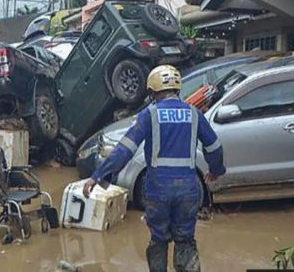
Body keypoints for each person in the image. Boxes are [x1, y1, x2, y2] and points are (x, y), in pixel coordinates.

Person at [83, 65, 226, 272]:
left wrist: (98, 176)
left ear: (153, 92)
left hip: (158, 190)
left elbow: (124, 150)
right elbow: (214, 147)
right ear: (177, 89)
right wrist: (216, 170)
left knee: (158, 241)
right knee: (185, 240)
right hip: (188, 189)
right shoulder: (194, 114)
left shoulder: (149, 115)